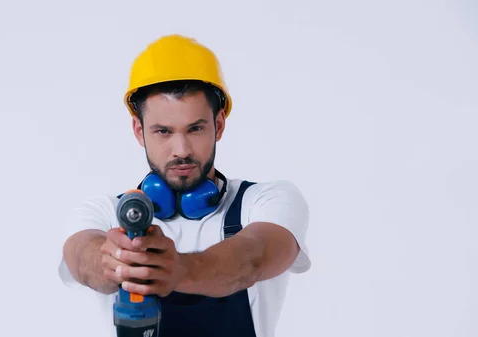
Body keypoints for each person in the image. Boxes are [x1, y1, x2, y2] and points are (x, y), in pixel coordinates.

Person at [58, 34, 311, 337]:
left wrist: (180, 270)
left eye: (195, 128)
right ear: (139, 131)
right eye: (163, 131)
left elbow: (253, 257)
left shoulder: (265, 201)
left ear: (218, 125)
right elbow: (82, 257)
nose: (181, 149)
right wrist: (116, 263)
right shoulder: (106, 213)